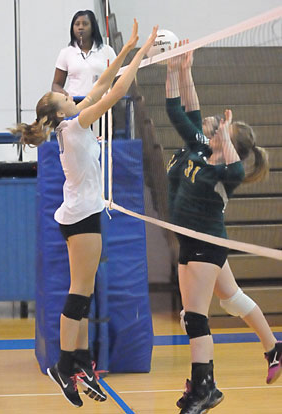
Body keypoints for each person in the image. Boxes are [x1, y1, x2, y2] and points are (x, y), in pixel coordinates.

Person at [11, 20, 158, 408]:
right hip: (81, 216)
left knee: (85, 290)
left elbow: (102, 82)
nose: (67, 95)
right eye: (61, 97)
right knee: (79, 293)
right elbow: (117, 91)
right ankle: (64, 364)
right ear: (60, 110)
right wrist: (144, 55)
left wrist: (124, 49)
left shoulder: (70, 122)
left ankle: (78, 363)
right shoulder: (76, 125)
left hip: (79, 213)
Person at [165, 47, 282, 414]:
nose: (211, 125)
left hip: (205, 244)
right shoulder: (199, 148)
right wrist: (179, 69)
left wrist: (228, 139)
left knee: (195, 316)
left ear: (227, 142)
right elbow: (181, 108)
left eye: (219, 128)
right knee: (230, 300)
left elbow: (233, 167)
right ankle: (273, 347)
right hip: (189, 239)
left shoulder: (226, 173)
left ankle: (205, 388)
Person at [52, 9, 116, 98]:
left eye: (85, 24)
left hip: (101, 103)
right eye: (77, 24)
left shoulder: (107, 51)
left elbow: (118, 79)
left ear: (93, 27)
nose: (80, 27)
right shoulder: (65, 53)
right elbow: (56, 85)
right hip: (75, 104)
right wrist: (64, 95)